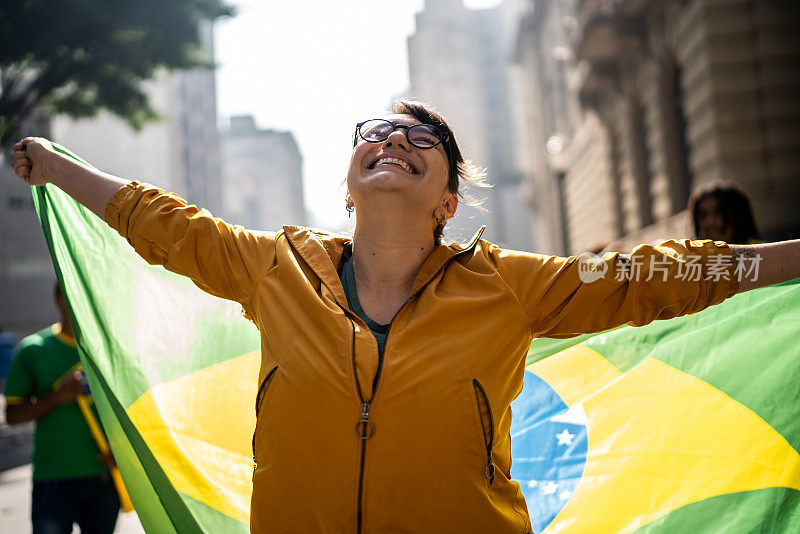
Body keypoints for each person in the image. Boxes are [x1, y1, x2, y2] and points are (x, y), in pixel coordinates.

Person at [9, 100, 800, 534]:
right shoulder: (272, 267)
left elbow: (650, 278)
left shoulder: (509, 286)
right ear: (349, 186)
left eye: (422, 138)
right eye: (376, 134)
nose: (393, 139)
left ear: (447, 200)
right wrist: (59, 168)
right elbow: (164, 224)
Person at [4, 284, 120, 534]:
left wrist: (122, 452)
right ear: (60, 299)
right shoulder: (33, 349)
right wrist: (58, 397)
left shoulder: (110, 349)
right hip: (52, 480)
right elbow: (12, 416)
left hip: (104, 479)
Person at [688, 180, 762, 243]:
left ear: (739, 216)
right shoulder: (691, 258)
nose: (710, 222)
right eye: (703, 215)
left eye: (718, 213)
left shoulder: (762, 254)